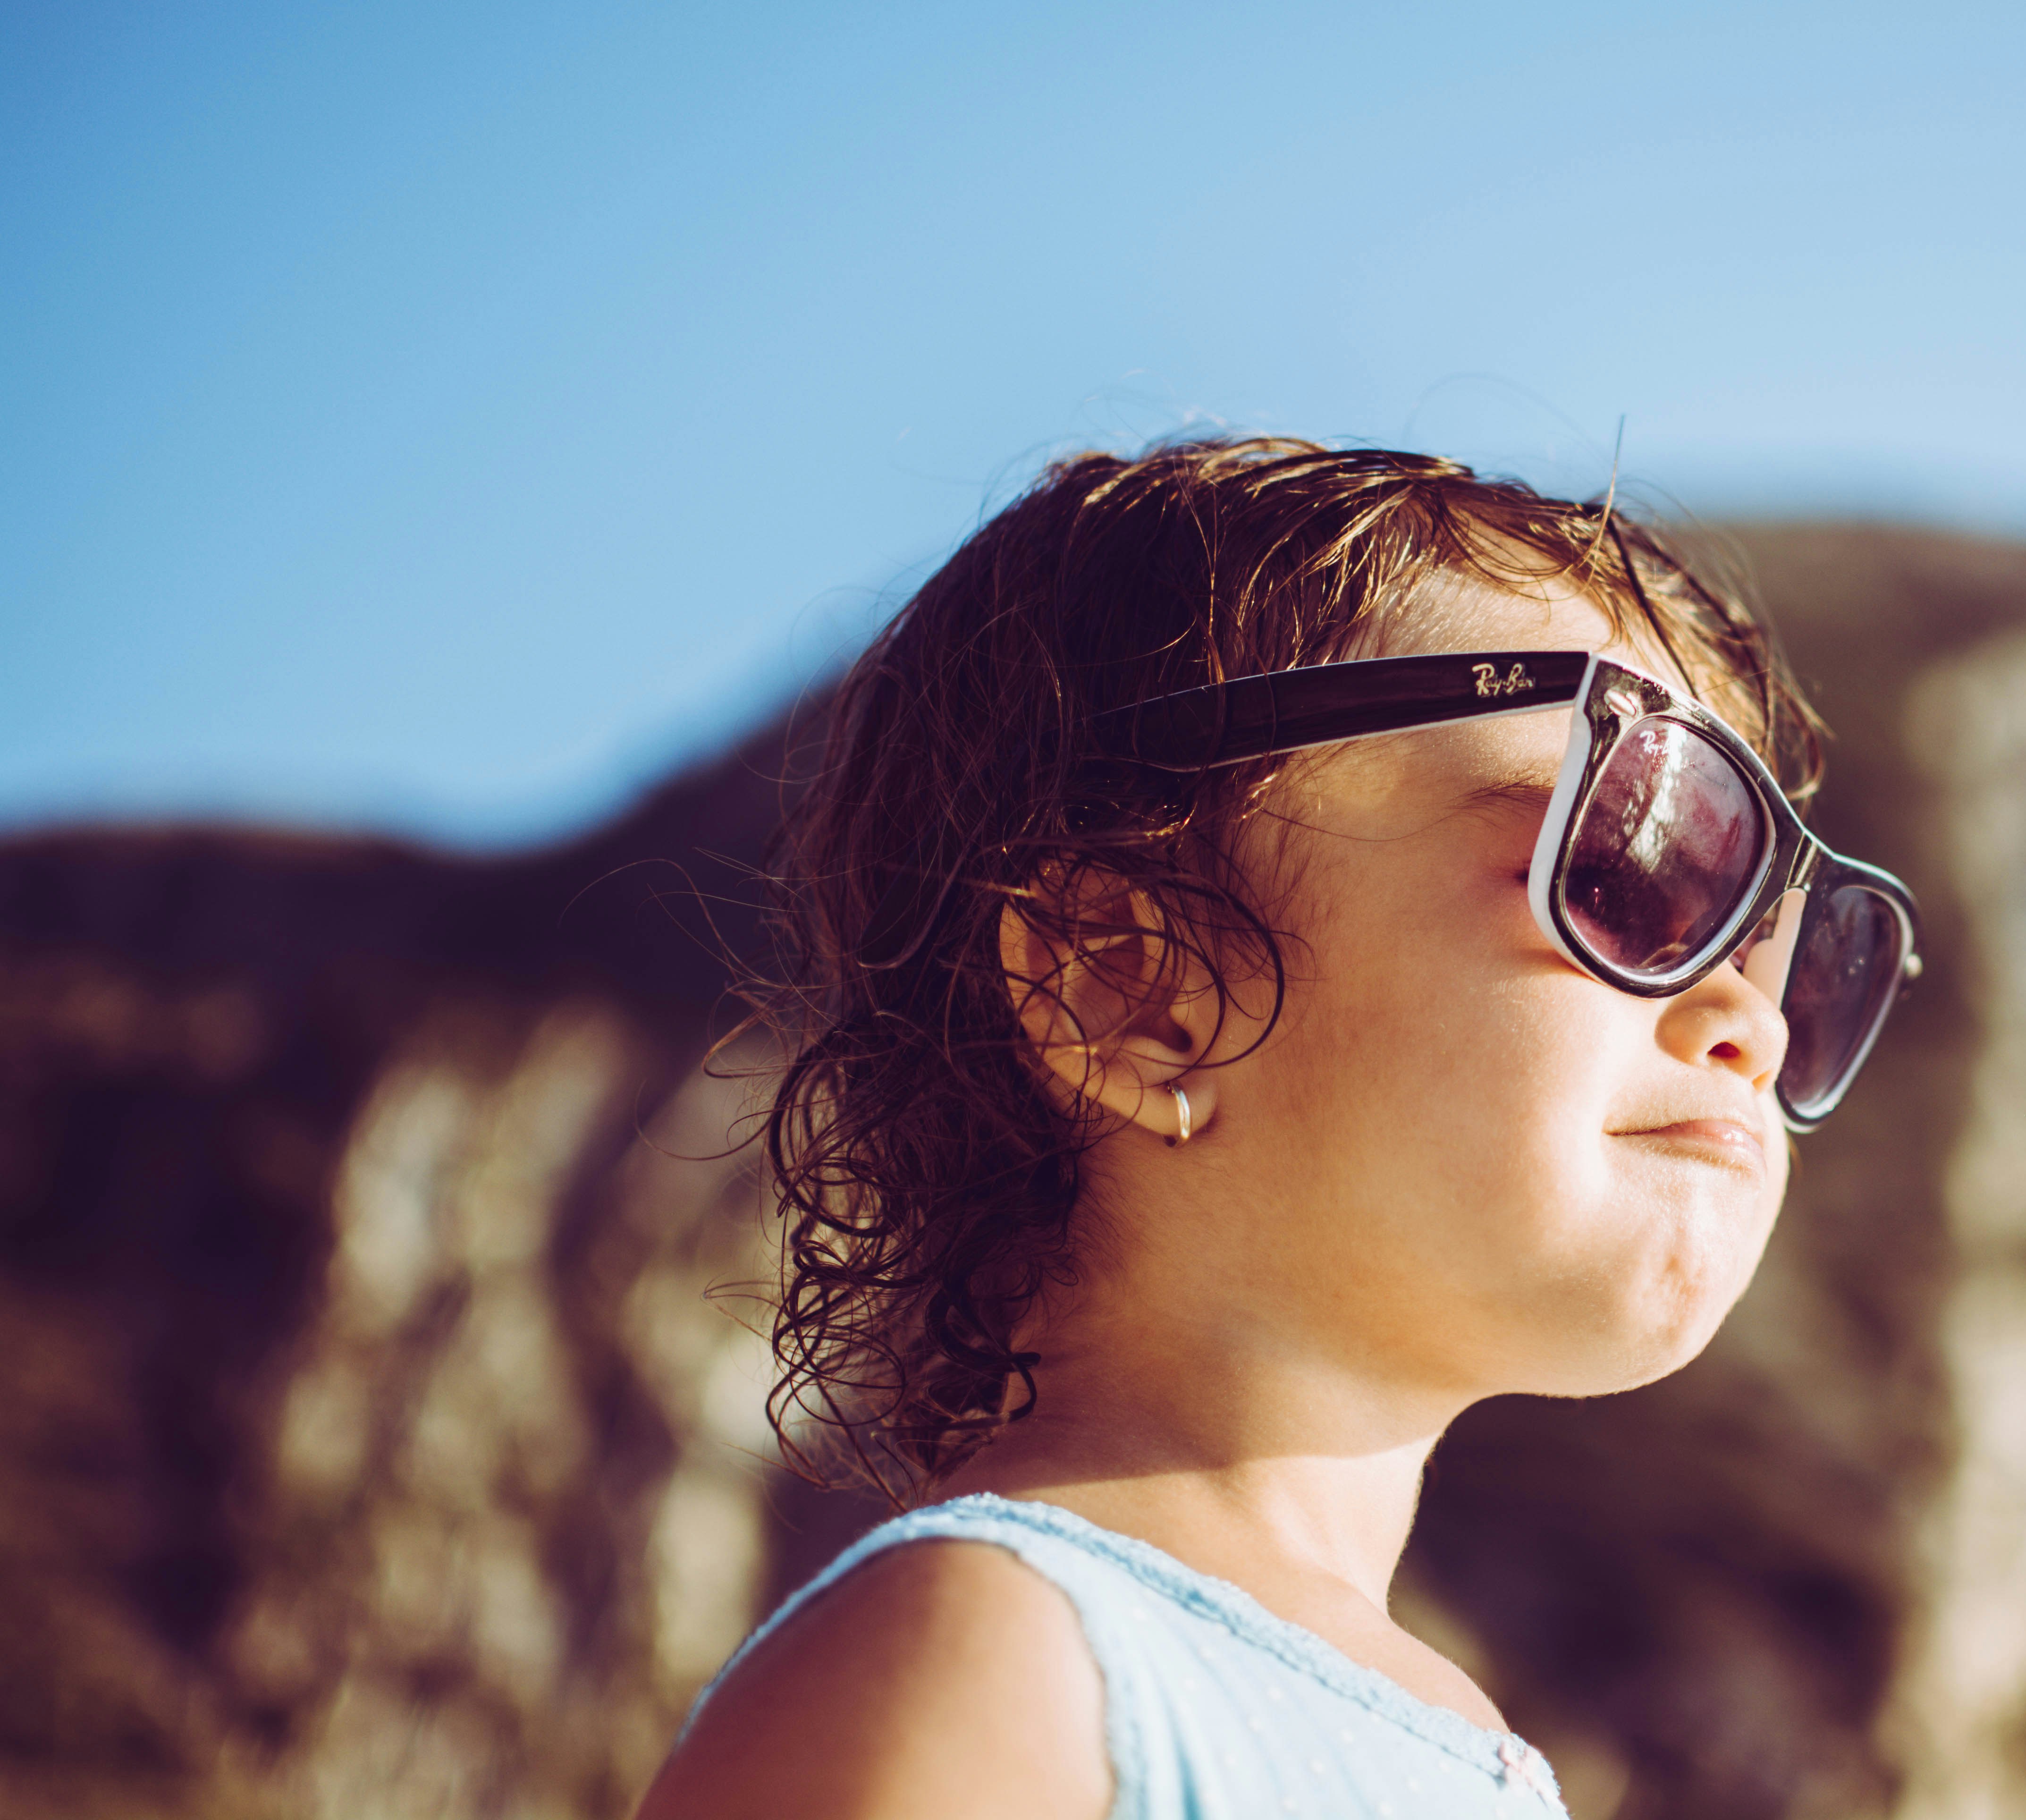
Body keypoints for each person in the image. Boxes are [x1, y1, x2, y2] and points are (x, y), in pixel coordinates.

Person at [634, 438, 1919, 1820]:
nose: (1759, 1016)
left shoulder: (1465, 1749)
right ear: (1131, 989)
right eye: (1635, 866)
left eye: (1794, 948)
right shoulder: (998, 1665)